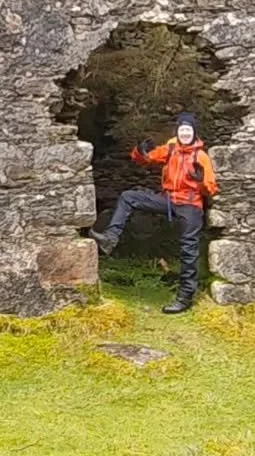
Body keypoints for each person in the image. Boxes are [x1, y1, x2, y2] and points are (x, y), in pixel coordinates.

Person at [91, 112, 219, 314]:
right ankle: (110, 237)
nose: (185, 133)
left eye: (189, 130)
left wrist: (201, 179)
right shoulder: (171, 149)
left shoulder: (200, 156)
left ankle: (185, 298)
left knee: (188, 249)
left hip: (190, 204)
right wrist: (140, 151)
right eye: (182, 129)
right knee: (128, 197)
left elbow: (210, 189)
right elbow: (146, 159)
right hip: (168, 200)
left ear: (194, 133)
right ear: (177, 131)